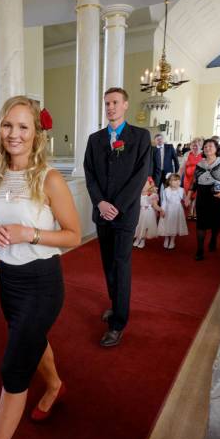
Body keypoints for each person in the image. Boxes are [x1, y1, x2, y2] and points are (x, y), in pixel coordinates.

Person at [0, 96, 81, 439]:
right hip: (9, 281)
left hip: (42, 284)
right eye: (8, 125)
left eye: (23, 126)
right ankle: (54, 385)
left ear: (37, 133)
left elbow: (73, 235)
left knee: (13, 369)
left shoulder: (50, 178)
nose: (14, 134)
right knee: (33, 342)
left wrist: (30, 233)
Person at [84, 87, 151, 348]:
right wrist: (100, 202)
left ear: (125, 105)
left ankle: (118, 323)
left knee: (121, 265)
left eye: (114, 102)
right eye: (107, 103)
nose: (110, 107)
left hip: (124, 214)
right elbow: (90, 174)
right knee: (108, 264)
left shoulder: (140, 136)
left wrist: (117, 206)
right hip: (102, 213)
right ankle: (116, 305)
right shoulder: (95, 139)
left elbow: (140, 175)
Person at [190, 138, 220, 261]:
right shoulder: (199, 164)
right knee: (201, 224)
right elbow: (194, 182)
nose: (207, 148)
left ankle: (214, 238)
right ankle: (200, 250)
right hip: (202, 196)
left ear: (216, 149)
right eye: (205, 146)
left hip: (218, 196)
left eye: (210, 146)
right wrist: (188, 195)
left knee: (217, 222)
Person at [157, 173, 188, 249]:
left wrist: (187, 201)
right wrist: (162, 210)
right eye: (175, 180)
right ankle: (166, 238)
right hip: (168, 209)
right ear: (170, 182)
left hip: (177, 210)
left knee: (174, 224)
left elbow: (185, 199)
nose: (178, 182)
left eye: (179, 181)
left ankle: (172, 240)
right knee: (167, 224)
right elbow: (164, 201)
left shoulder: (181, 190)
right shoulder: (166, 190)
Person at [178, 138, 203, 220]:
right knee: (189, 195)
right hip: (188, 178)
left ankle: (195, 211)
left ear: (200, 145)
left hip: (199, 178)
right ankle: (190, 211)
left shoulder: (203, 154)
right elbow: (182, 167)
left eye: (196, 145)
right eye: (193, 145)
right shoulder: (187, 154)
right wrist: (177, 177)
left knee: (197, 195)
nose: (194, 147)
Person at [133, 177, 160, 249]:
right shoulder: (138, 194)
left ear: (150, 185)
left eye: (145, 184)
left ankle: (142, 240)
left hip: (148, 213)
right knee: (138, 226)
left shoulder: (152, 195)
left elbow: (155, 205)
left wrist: (160, 210)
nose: (143, 186)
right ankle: (138, 238)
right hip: (139, 212)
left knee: (145, 226)